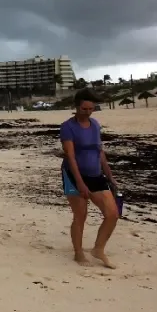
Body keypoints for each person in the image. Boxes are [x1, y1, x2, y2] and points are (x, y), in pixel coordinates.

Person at [61, 89, 119, 268]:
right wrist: (80, 183)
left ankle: (98, 249)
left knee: (112, 214)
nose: (87, 112)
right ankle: (78, 253)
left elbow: (99, 152)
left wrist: (109, 176)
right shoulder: (67, 127)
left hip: (95, 174)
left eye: (91, 109)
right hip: (73, 175)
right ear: (76, 107)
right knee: (80, 215)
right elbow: (70, 157)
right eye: (84, 109)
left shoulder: (95, 124)